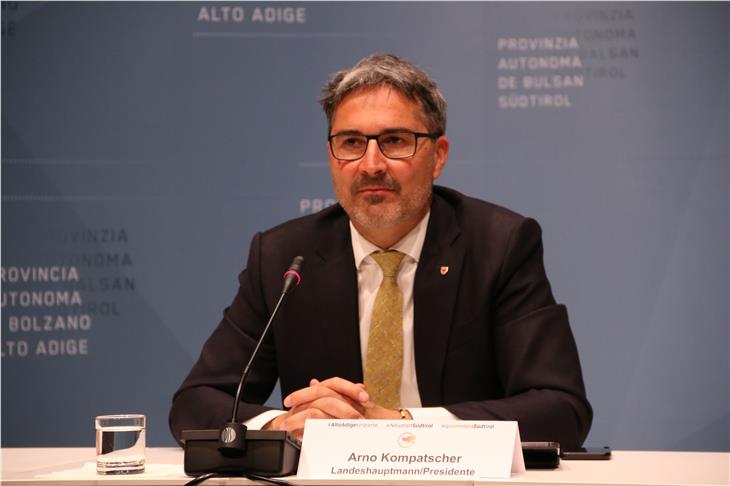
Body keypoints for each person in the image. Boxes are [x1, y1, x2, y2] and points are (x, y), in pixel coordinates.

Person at [169, 53, 592, 447]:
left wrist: (402, 424)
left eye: (395, 140)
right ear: (331, 156)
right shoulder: (285, 257)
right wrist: (281, 426)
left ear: (438, 156)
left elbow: (560, 409)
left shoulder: (498, 245)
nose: (371, 165)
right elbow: (195, 404)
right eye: (352, 143)